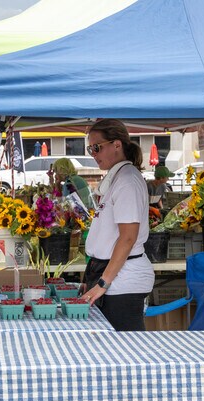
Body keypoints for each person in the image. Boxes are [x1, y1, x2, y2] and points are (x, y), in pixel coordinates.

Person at [80, 119, 154, 332]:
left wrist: (103, 283)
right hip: (110, 276)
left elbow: (128, 237)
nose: (93, 153)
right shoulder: (118, 178)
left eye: (97, 147)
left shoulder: (127, 181)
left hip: (122, 282)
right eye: (90, 148)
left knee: (125, 351)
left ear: (117, 144)